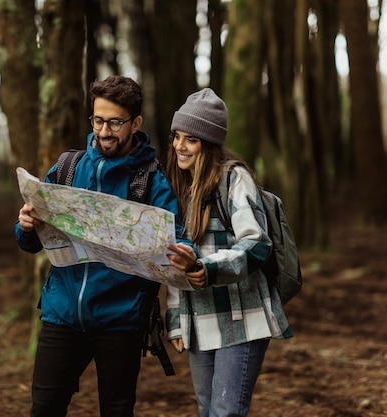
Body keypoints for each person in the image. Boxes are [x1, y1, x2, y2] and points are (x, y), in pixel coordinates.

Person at [15, 75, 196, 417]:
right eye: (98, 120)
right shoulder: (68, 167)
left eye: (115, 122)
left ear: (135, 123)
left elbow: (177, 240)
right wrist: (26, 226)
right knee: (45, 408)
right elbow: (29, 242)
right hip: (61, 314)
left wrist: (187, 256)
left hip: (120, 319)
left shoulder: (150, 180)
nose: (104, 131)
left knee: (116, 410)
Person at [163, 88, 293, 417]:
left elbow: (256, 244)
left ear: (207, 143)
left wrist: (207, 268)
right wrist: (177, 323)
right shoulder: (180, 189)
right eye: (176, 137)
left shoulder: (235, 180)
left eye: (190, 139)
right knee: (208, 410)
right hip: (199, 319)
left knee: (225, 411)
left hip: (241, 317)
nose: (179, 146)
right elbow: (175, 262)